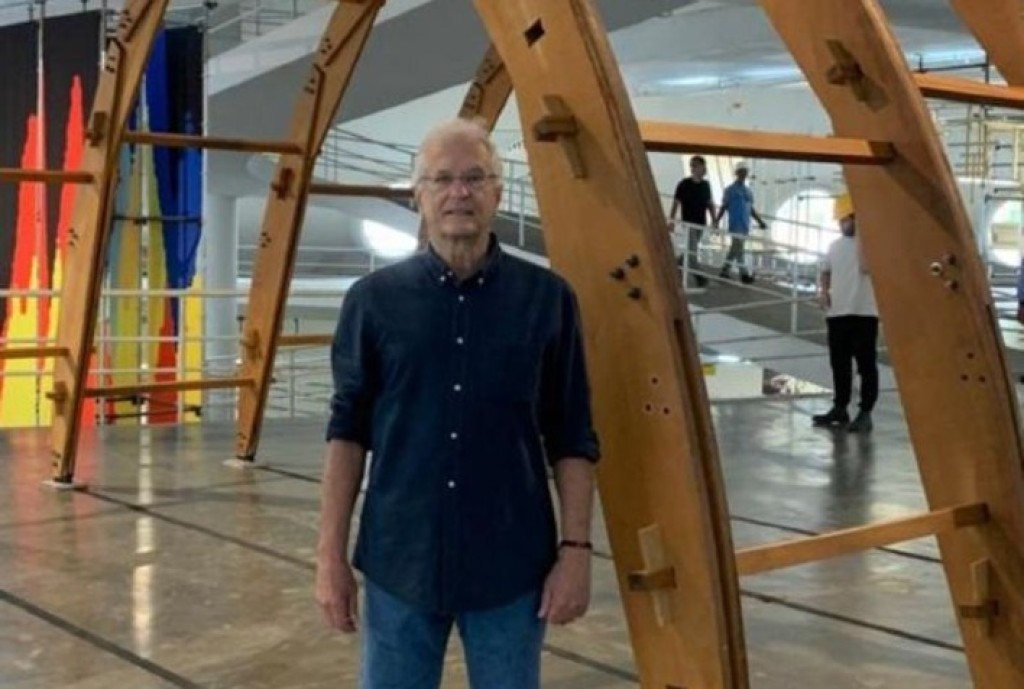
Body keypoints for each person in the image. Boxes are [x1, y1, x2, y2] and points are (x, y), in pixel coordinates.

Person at [315, 117, 601, 689]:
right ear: (418, 196)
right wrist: (329, 557)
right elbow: (348, 432)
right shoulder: (372, 303)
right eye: (442, 179)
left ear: (498, 193)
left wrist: (576, 550)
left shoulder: (547, 300)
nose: (459, 192)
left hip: (511, 565)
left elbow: (572, 433)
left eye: (474, 178)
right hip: (400, 560)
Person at [812, 192, 878, 433]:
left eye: (846, 219)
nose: (842, 225)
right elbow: (825, 270)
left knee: (866, 365)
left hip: (864, 313)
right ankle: (840, 407)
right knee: (839, 364)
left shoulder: (871, 245)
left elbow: (866, 267)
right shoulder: (834, 246)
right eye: (840, 221)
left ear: (857, 217)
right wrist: (824, 291)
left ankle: (866, 411)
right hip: (837, 313)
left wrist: (864, 234)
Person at [714, 161, 767, 284]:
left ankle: (724, 271)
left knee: (736, 248)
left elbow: (750, 209)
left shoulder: (748, 191)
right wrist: (716, 220)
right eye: (741, 171)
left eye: (745, 172)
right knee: (739, 248)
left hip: (745, 224)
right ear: (737, 173)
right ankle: (744, 275)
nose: (743, 174)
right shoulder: (730, 190)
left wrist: (760, 221)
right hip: (735, 222)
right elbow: (724, 206)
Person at [668, 155, 716, 287]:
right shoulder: (684, 184)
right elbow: (676, 203)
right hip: (689, 223)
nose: (693, 168)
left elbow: (709, 203)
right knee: (692, 253)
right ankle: (700, 278)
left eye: (696, 165)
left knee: (690, 250)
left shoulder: (705, 185)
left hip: (700, 222)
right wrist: (671, 221)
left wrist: (714, 220)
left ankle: (676, 266)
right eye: (692, 165)